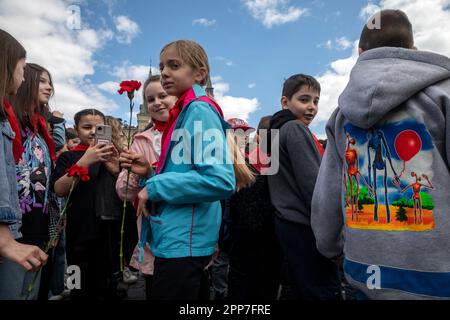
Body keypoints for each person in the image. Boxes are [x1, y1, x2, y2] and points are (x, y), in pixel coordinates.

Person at [311, 9, 450, 299]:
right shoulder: (442, 96)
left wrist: (330, 248)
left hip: (364, 273)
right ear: (411, 50)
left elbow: (326, 198)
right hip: (437, 278)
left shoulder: (341, 116)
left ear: (360, 52)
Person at [133, 40, 253, 300]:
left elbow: (219, 180)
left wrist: (154, 187)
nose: (164, 72)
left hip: (183, 244)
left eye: (174, 65)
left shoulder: (198, 109)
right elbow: (186, 173)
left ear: (199, 74)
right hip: (177, 238)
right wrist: (151, 176)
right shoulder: (184, 112)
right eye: (163, 65)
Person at [267, 74, 341, 300]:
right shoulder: (295, 129)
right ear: (285, 102)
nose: (311, 107)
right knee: (321, 291)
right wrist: (336, 240)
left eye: (316, 101)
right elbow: (315, 188)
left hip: (286, 226)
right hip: (306, 227)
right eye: (304, 100)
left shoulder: (272, 133)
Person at [117, 74, 177, 298]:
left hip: (190, 236)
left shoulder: (193, 133)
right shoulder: (142, 139)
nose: (157, 102)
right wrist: (133, 173)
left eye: (164, 95)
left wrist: (152, 175)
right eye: (150, 99)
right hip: (154, 236)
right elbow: (123, 192)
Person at [51, 109, 122, 299]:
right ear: (76, 129)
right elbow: (59, 189)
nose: (92, 132)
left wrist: (115, 168)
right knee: (78, 284)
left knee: (106, 282)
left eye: (98, 128)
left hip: (107, 231)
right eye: (86, 127)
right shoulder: (69, 157)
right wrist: (85, 161)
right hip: (78, 231)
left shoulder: (112, 157)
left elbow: (125, 189)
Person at [0, 29, 48, 300]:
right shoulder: (6, 118)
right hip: (13, 225)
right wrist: (4, 237)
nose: (22, 75)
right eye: (22, 68)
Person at [7, 63, 59, 300]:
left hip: (39, 221)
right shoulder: (9, 120)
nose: (49, 87)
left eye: (50, 82)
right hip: (13, 226)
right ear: (25, 80)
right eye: (42, 81)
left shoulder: (39, 126)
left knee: (32, 291)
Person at [226, 116, 283, 301]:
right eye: (236, 134)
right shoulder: (235, 166)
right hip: (242, 245)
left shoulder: (274, 165)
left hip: (267, 246)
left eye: (244, 134)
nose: (241, 138)